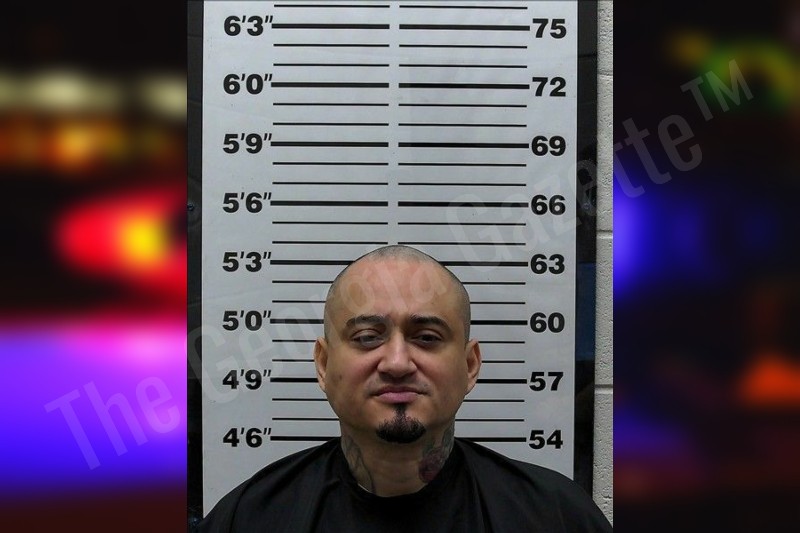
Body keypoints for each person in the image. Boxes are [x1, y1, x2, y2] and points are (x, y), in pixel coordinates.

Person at [194, 245, 612, 532]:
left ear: (469, 365)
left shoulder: (556, 517)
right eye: (367, 337)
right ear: (323, 364)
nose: (396, 363)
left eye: (427, 337)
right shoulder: (250, 519)